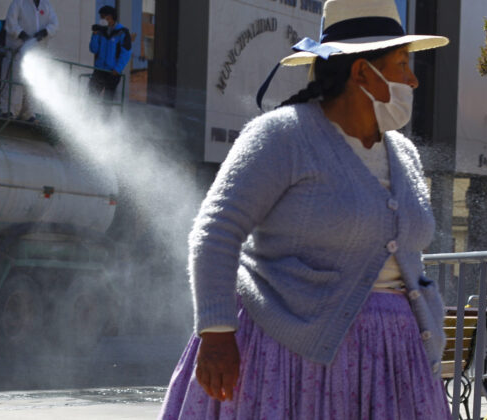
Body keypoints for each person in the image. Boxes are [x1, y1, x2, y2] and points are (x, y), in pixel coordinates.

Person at [158, 0, 450, 418]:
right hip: (291, 357)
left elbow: (407, 255)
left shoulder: (403, 154)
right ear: (362, 71)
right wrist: (217, 333)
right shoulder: (282, 136)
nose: (413, 80)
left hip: (395, 361)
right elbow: (217, 230)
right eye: (402, 63)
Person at [1, 0, 58, 121]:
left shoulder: (46, 6)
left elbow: (54, 24)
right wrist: (21, 35)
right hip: (17, 50)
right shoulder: (18, 3)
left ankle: (28, 113)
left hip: (36, 53)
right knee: (14, 81)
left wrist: (45, 32)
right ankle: (9, 111)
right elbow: (10, 23)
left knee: (32, 84)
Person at [88, 6, 131, 104]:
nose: (101, 20)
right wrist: (94, 34)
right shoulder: (100, 31)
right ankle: (88, 116)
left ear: (110, 17)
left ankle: (105, 118)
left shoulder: (122, 32)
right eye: (101, 17)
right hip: (99, 70)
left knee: (107, 101)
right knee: (91, 97)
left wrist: (117, 69)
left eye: (103, 17)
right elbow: (93, 49)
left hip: (113, 72)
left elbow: (126, 53)